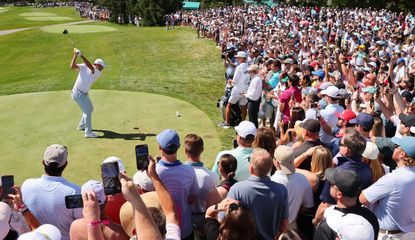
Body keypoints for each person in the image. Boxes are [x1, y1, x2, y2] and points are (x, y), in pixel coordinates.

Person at [21, 144, 83, 240]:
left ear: (43, 162)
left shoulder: (26, 185)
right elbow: (82, 222)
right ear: (66, 164)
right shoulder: (75, 191)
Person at [359, 136, 415, 240]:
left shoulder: (393, 179)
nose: (394, 148)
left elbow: (363, 199)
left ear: (402, 154)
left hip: (390, 236)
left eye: (397, 146)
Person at [228, 148, 289, 240]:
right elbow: (284, 223)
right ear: (270, 167)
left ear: (251, 168)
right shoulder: (281, 190)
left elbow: (226, 220)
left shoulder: (237, 189)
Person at [314, 128, 372, 224]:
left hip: (335, 220)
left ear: (346, 150)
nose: (338, 145)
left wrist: (315, 221)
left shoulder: (337, 174)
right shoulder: (368, 170)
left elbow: (325, 205)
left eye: (340, 143)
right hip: (355, 219)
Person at [155, 129, 198, 239]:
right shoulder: (190, 170)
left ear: (160, 148)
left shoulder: (153, 172)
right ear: (178, 147)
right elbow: (192, 198)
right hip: (186, 230)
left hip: (163, 232)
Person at [314, 168, 379, 240]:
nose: (329, 185)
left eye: (331, 184)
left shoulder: (328, 225)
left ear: (339, 194)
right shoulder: (371, 216)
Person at [183, 134, 219, 237]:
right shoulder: (213, 176)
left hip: (184, 220)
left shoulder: (179, 173)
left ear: (185, 151)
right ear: (202, 149)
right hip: (203, 221)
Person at [271, 146, 314, 230]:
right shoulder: (303, 179)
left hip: (272, 227)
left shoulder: (270, 182)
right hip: (291, 227)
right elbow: (307, 205)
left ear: (276, 162)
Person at [70, 48, 106, 138]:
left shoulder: (97, 72)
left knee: (90, 109)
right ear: (97, 65)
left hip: (84, 94)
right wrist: (75, 55)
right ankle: (88, 132)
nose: (102, 69)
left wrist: (81, 55)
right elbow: (72, 66)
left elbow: (90, 66)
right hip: (77, 93)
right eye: (102, 67)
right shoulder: (85, 66)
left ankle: (82, 125)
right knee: (87, 112)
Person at [220, 51, 250, 129]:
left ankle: (227, 122)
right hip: (245, 90)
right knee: (243, 106)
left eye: (238, 57)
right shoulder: (248, 66)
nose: (237, 59)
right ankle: (243, 122)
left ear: (241, 58)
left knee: (228, 105)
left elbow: (235, 80)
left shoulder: (239, 67)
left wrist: (230, 81)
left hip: (237, 90)